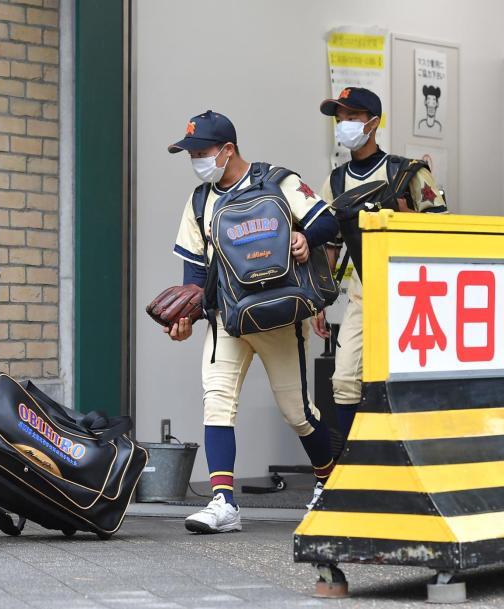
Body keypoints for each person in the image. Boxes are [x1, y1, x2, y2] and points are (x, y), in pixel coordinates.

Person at [167, 110, 340, 533]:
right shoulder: (198, 201)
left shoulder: (279, 182)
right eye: (191, 153)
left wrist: (304, 237)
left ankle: (332, 484)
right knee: (217, 401)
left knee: (297, 412)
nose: (196, 160)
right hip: (228, 317)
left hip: (280, 315)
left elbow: (328, 221)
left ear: (228, 150)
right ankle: (223, 501)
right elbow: (193, 277)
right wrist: (186, 317)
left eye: (202, 152)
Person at [314, 87, 447, 471]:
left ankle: (414, 466)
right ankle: (353, 471)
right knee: (344, 381)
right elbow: (330, 244)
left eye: (353, 117)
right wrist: (321, 301)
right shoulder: (335, 182)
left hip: (414, 293)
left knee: (406, 382)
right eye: (340, 118)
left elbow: (442, 228)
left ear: (373, 123)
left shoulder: (407, 172)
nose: (344, 125)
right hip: (363, 291)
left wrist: (405, 216)